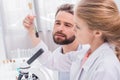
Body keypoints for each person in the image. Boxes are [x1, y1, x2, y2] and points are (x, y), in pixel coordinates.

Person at [23, 4, 89, 80]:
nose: (60, 28)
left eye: (67, 25)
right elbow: (46, 58)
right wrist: (31, 30)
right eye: (57, 23)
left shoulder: (87, 55)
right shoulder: (58, 55)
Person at [70, 0, 120, 80]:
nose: (73, 29)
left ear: (97, 33)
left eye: (78, 27)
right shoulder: (87, 52)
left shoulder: (106, 68)